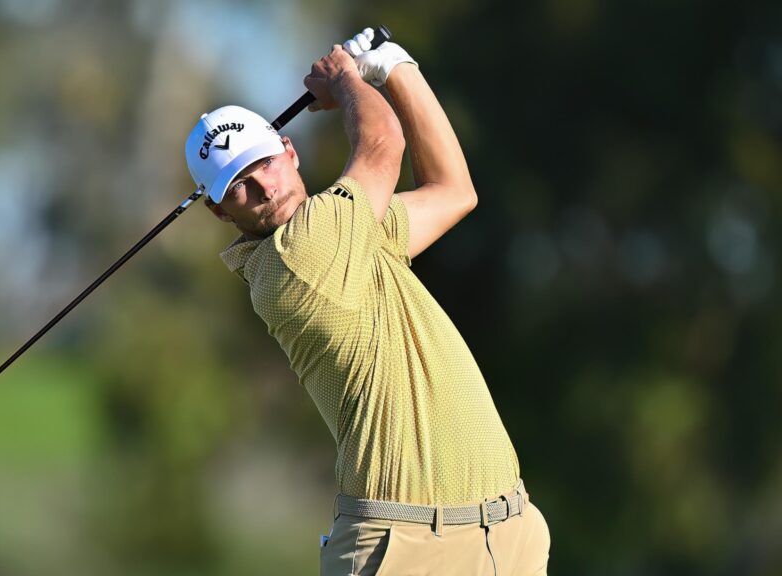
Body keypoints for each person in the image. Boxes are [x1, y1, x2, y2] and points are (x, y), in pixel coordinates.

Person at [184, 28, 550, 575]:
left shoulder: (351, 235)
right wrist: (348, 81)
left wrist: (397, 67)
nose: (263, 187)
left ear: (289, 151)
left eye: (263, 162)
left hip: (507, 534)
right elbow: (383, 147)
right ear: (219, 212)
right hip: (404, 547)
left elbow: (454, 191)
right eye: (237, 184)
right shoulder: (297, 255)